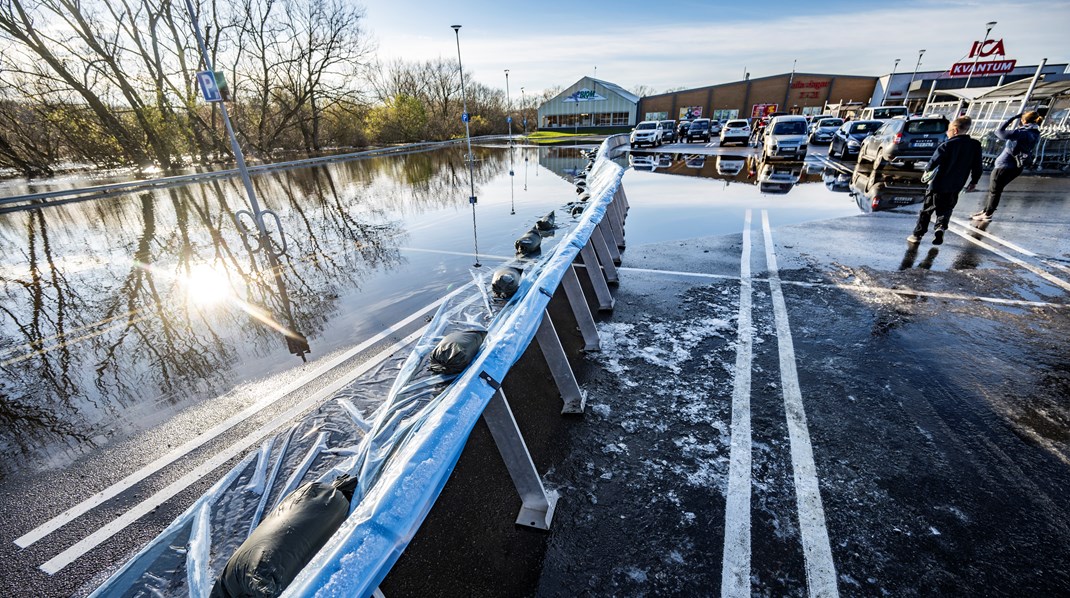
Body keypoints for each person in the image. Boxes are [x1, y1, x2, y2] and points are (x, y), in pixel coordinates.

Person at [908, 116, 983, 246]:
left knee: (927, 209)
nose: (947, 133)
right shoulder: (975, 145)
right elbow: (978, 166)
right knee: (946, 208)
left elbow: (933, 163)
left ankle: (917, 234)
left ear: (954, 130)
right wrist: (974, 181)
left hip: (938, 183)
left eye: (948, 131)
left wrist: (927, 169)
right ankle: (940, 227)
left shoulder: (947, 145)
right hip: (957, 184)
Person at [971, 111, 1043, 222]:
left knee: (995, 191)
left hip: (1005, 166)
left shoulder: (1022, 133)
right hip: (1016, 167)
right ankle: (986, 210)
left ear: (1023, 120)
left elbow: (998, 132)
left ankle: (987, 214)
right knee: (995, 190)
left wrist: (1012, 118)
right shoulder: (1035, 133)